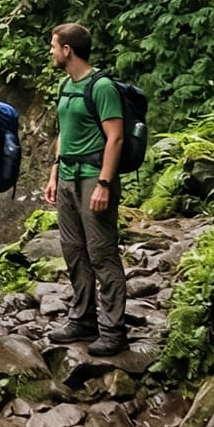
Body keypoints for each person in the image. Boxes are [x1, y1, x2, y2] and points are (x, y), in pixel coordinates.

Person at [43, 22, 128, 356]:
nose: (50, 51)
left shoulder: (102, 86)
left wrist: (105, 182)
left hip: (94, 176)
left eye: (53, 46)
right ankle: (82, 318)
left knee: (102, 253)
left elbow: (116, 137)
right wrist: (54, 173)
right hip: (67, 177)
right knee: (74, 250)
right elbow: (63, 133)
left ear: (68, 50)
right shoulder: (66, 85)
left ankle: (113, 329)